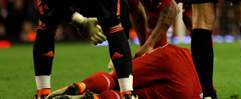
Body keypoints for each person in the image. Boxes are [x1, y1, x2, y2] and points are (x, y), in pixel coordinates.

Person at [46, 44, 202, 99]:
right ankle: (95, 98)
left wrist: (148, 45)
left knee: (119, 78)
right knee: (133, 96)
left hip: (173, 56)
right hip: (193, 91)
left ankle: (81, 86)